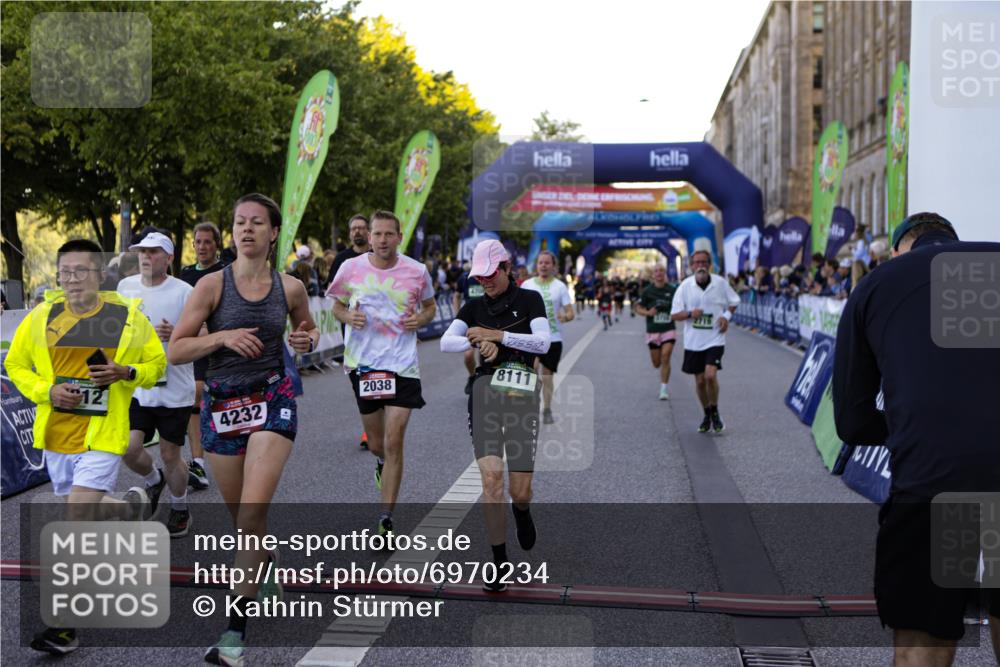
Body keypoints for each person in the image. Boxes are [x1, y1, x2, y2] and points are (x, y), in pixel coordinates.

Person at [832, 212, 999, 667]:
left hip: (932, 480)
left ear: (901, 249)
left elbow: (851, 420)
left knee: (921, 644)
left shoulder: (878, 283)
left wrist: (912, 427)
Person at [168, 193, 319, 665]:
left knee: (252, 512)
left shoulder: (289, 287)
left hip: (272, 400)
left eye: (257, 222)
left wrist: (305, 338)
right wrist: (221, 336)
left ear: (274, 232)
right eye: (240, 222)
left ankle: (234, 632)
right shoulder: (212, 286)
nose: (247, 229)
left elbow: (308, 327)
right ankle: (265, 560)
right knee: (242, 521)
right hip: (221, 406)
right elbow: (176, 349)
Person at [6, 239, 166, 655]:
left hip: (103, 435)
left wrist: (125, 371)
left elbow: (156, 365)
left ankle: (64, 625)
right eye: (66, 272)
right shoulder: (43, 317)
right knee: (87, 507)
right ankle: (131, 507)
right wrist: (48, 391)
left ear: (99, 274)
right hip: (57, 436)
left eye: (81, 271)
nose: (73, 279)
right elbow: (15, 365)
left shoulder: (125, 317)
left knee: (75, 520)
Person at [440, 239, 550, 592]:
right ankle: (499, 563)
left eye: (491, 274)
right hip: (485, 391)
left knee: (519, 491)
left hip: (521, 393)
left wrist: (498, 336)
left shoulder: (530, 299)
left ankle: (522, 511)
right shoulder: (473, 307)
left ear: (506, 269)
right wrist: (475, 341)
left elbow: (543, 342)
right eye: (480, 276)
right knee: (491, 481)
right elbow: (446, 341)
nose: (485, 281)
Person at [327, 210, 436, 538]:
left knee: (394, 440)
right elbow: (335, 305)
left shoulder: (417, 272)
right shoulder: (351, 268)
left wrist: (422, 319)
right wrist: (348, 317)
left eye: (389, 234)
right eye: (378, 234)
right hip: (363, 364)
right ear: (369, 237)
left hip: (402, 364)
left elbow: (430, 305)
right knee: (377, 444)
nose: (383, 240)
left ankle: (386, 519)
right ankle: (380, 463)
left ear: (399, 237)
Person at [117, 232, 196, 537]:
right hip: (138, 384)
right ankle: (153, 480)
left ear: (169, 258)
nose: (146, 257)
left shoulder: (185, 292)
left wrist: (177, 333)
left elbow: (205, 331)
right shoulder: (126, 287)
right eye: (142, 252)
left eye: (153, 252)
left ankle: (179, 507)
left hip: (175, 388)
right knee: (127, 447)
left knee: (170, 454)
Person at [670, 250, 740, 433]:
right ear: (692, 266)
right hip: (693, 342)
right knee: (700, 382)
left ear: (709, 265)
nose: (700, 265)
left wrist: (726, 316)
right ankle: (707, 412)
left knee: (710, 376)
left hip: (715, 339)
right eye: (697, 262)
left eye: (704, 262)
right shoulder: (685, 286)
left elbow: (734, 301)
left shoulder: (720, 283)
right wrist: (690, 314)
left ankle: (715, 411)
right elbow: (674, 314)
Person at [179, 221, 227, 491]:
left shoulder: (225, 272)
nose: (202, 247)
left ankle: (228, 452)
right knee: (194, 394)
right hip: (196, 345)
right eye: (198, 242)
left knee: (217, 399)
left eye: (208, 241)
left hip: (222, 346)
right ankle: (198, 461)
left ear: (216, 245)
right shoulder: (185, 274)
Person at [326, 214, 374, 450]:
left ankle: (374, 426)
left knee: (381, 378)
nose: (358, 232)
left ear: (369, 232)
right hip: (353, 333)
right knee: (359, 381)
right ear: (349, 233)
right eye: (354, 228)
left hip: (379, 334)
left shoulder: (379, 257)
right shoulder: (343, 260)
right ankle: (370, 423)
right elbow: (335, 296)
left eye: (362, 228)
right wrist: (346, 315)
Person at [520, 250, 574, 424]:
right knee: (532, 369)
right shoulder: (527, 285)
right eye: (540, 263)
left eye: (547, 263)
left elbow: (570, 313)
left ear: (553, 266)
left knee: (548, 375)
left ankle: (547, 408)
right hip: (532, 337)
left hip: (553, 338)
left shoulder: (560, 286)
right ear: (536, 266)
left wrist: (564, 317)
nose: (543, 265)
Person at [634, 264, 677, 400]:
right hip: (653, 330)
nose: (659, 273)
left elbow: (681, 304)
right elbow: (638, 308)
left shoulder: (672, 290)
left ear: (665, 273)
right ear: (652, 275)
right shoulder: (647, 291)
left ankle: (663, 388)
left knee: (666, 357)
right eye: (656, 271)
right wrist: (648, 312)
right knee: (656, 363)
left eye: (661, 271)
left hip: (668, 328)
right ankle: (662, 380)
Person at [453, 267, 485, 395]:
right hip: (470, 322)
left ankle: (483, 381)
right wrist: (457, 316)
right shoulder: (465, 278)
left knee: (484, 354)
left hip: (487, 321)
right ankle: (472, 377)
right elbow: (456, 296)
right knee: (468, 355)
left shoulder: (490, 277)